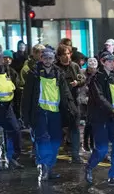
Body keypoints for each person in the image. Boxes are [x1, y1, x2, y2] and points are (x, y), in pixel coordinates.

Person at [22, 48, 76, 181]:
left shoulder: (59, 73)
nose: (47, 60)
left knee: (56, 140)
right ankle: (44, 168)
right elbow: (27, 96)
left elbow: (66, 93)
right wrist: (25, 115)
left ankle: (49, 166)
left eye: (50, 58)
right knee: (42, 140)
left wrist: (72, 110)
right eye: (45, 57)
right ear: (41, 58)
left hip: (55, 112)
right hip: (40, 111)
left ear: (54, 59)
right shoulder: (33, 73)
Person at [85, 52, 114, 186]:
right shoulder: (96, 78)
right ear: (102, 62)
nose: (112, 63)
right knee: (102, 149)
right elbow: (99, 97)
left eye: (113, 61)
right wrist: (113, 110)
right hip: (101, 117)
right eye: (109, 61)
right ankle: (89, 166)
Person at [55, 44, 85, 164]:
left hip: (73, 101)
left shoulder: (74, 66)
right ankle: (53, 154)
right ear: (59, 56)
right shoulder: (55, 68)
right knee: (58, 130)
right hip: (59, 102)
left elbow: (83, 79)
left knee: (75, 129)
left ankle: (75, 156)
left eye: (68, 54)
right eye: (64, 54)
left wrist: (77, 82)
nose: (67, 57)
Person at [0, 51, 23, 171]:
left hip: (7, 108)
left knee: (15, 131)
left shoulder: (9, 71)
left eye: (0, 56)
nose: (1, 58)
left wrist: (18, 110)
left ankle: (12, 158)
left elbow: (16, 89)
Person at [79, 57, 98, 152]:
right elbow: (82, 89)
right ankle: (86, 143)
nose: (92, 70)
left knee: (92, 123)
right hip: (85, 102)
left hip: (94, 102)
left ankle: (90, 143)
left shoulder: (98, 74)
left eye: (94, 69)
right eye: (91, 68)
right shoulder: (82, 73)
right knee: (89, 123)